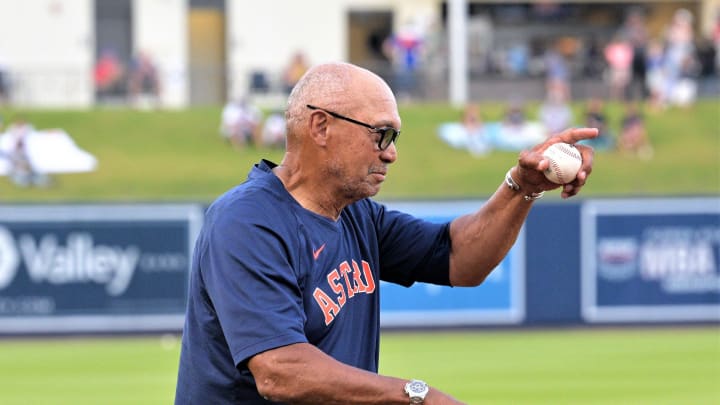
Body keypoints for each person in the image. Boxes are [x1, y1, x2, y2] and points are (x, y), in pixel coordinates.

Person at [174, 62, 598, 404]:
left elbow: (460, 259)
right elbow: (281, 371)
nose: (391, 152)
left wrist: (522, 187)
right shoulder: (247, 221)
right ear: (321, 127)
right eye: (381, 134)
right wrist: (417, 395)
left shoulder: (358, 216)